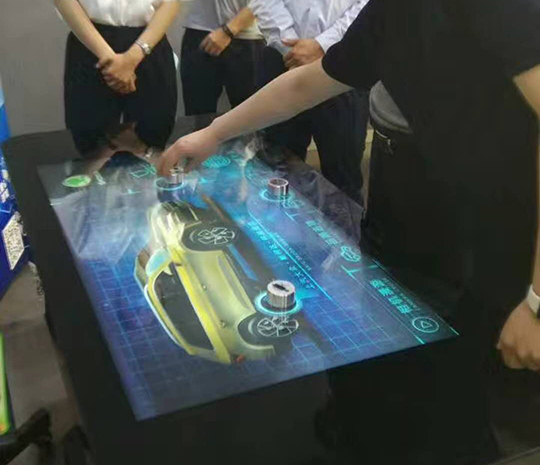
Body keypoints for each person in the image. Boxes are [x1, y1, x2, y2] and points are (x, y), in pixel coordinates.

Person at [158, 0, 540, 463]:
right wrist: (215, 133)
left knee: (467, 413)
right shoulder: (392, 12)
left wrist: (535, 301)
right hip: (421, 215)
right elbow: (308, 83)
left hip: (502, 241)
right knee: (396, 391)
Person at [249, 0, 370, 203]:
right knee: (276, 168)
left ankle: (344, 225)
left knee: (343, 176)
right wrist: (291, 49)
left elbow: (368, 5)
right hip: (282, 57)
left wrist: (323, 44)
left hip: (343, 60)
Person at [54, 0, 181, 149]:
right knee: (90, 139)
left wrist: (133, 56)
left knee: (153, 133)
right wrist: (109, 58)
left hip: (149, 42)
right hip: (91, 44)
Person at [180, 0, 265, 115]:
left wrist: (229, 31)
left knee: (250, 116)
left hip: (247, 36)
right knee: (198, 116)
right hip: (199, 30)